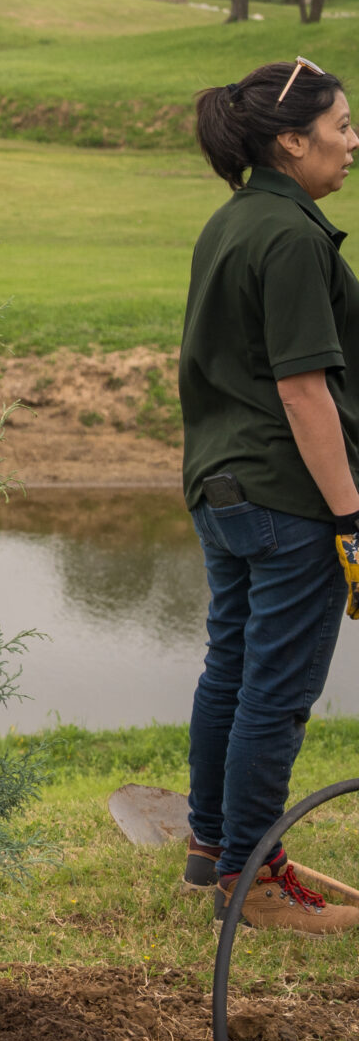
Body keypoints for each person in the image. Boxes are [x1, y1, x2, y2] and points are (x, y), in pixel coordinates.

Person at [181, 55, 359, 935]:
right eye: (341, 127)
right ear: (292, 141)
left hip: (223, 489)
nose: (353, 143)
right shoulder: (291, 236)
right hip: (289, 497)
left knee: (232, 666)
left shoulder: (233, 219)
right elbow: (302, 390)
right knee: (276, 690)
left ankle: (212, 848)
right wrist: (351, 516)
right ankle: (251, 878)